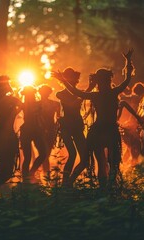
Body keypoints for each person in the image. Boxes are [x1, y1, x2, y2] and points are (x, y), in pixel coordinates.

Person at [53, 49, 134, 187]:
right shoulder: (113, 92)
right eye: (105, 81)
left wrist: (63, 80)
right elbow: (127, 79)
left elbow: (76, 92)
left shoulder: (99, 95)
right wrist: (127, 61)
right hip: (107, 129)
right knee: (109, 162)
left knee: (104, 161)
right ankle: (106, 187)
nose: (105, 83)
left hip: (99, 130)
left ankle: (101, 187)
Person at [51, 67, 88, 187]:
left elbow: (80, 97)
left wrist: (90, 88)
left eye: (73, 77)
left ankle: (69, 182)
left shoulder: (80, 92)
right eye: (68, 77)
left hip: (77, 125)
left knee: (84, 159)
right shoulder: (60, 94)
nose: (71, 80)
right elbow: (72, 105)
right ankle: (65, 183)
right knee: (72, 154)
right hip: (66, 125)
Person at [19, 85, 48, 182]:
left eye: (31, 94)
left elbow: (40, 116)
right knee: (28, 157)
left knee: (42, 154)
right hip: (30, 130)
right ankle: (26, 177)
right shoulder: (24, 104)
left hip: (34, 130)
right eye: (28, 94)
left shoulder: (36, 104)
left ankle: (30, 174)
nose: (30, 96)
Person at [118, 82, 144, 164]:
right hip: (135, 124)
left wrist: (122, 89)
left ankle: (126, 164)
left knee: (130, 146)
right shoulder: (142, 99)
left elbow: (124, 97)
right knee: (133, 146)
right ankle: (131, 164)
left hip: (134, 123)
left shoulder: (135, 98)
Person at [38, 84, 60, 176]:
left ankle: (45, 175)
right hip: (43, 130)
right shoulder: (54, 104)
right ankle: (46, 175)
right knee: (45, 154)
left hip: (48, 130)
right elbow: (58, 118)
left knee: (45, 154)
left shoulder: (55, 104)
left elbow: (58, 118)